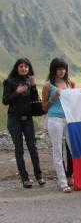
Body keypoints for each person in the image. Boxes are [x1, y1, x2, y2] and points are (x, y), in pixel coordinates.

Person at [2, 58, 45, 188]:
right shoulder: (9, 82)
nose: (24, 68)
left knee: (33, 148)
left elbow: (34, 99)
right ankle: (24, 178)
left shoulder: (28, 81)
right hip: (14, 120)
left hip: (28, 119)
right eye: (21, 66)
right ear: (17, 68)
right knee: (19, 149)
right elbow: (5, 100)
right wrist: (17, 92)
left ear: (29, 69)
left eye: (26, 66)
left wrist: (33, 86)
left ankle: (39, 176)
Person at [42, 58, 76, 193]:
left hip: (69, 119)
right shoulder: (48, 86)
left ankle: (75, 177)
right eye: (59, 68)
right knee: (57, 151)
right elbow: (44, 107)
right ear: (54, 69)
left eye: (64, 69)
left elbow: (75, 100)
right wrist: (53, 98)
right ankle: (62, 182)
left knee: (73, 149)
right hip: (55, 120)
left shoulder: (70, 83)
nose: (62, 71)